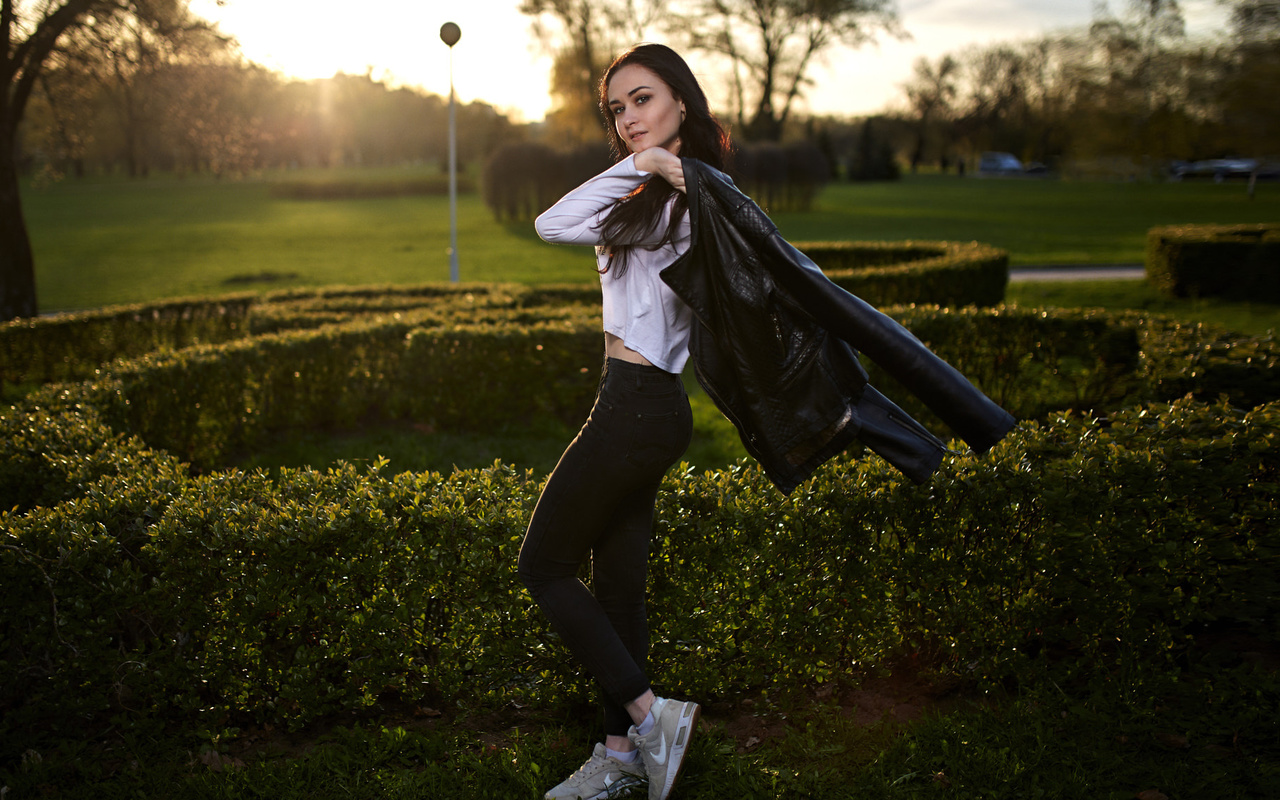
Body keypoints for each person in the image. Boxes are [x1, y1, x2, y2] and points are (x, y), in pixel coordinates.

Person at [517, 43, 729, 800]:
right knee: (619, 591)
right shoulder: (644, 187)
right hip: (641, 401)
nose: (629, 118)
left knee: (542, 565)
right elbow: (554, 222)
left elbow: (546, 225)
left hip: (638, 406)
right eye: (618, 108)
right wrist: (639, 166)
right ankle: (620, 757)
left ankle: (649, 717)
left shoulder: (695, 195)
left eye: (643, 99)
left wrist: (657, 170)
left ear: (680, 99)